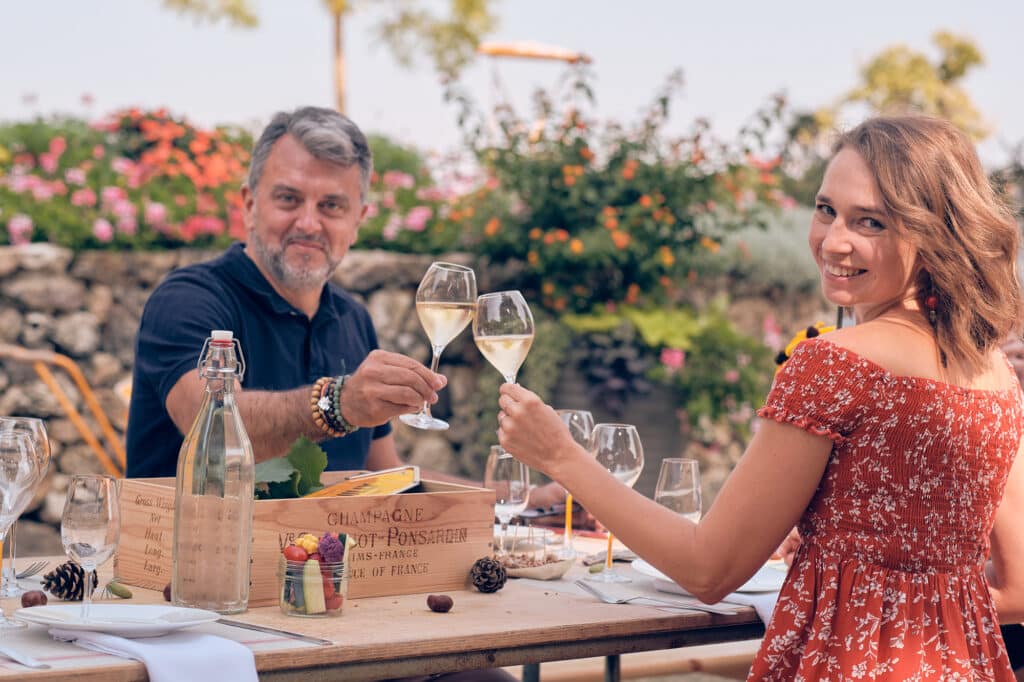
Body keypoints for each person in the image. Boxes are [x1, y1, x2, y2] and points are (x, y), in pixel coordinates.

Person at [496, 115, 1024, 679]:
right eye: (826, 210)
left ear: (934, 231)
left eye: (870, 221)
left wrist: (561, 457)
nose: (834, 241)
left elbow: (708, 570)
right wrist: (870, 578)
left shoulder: (834, 364)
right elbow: (1016, 588)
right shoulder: (992, 371)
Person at [125, 106, 561, 509]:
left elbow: (388, 476)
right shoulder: (188, 300)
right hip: (186, 582)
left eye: (331, 206)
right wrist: (337, 404)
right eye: (288, 199)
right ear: (250, 205)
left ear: (358, 221)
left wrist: (516, 497)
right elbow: (213, 435)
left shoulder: (352, 320)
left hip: (322, 581)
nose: (309, 223)